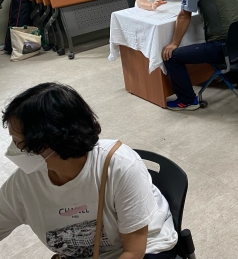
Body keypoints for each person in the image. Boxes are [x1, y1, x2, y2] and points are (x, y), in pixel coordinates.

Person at [0, 82, 179, 258]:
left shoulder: (120, 166)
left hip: (148, 248)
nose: (14, 149)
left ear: (51, 142)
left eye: (18, 142)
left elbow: (134, 251)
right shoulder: (25, 182)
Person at [163, 0, 238, 109]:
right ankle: (232, 76)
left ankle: (187, 100)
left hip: (222, 46)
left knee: (171, 56)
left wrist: (174, 43)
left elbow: (184, 15)